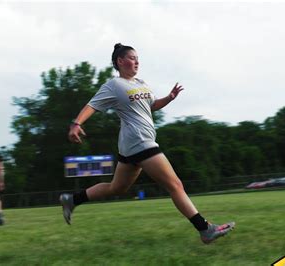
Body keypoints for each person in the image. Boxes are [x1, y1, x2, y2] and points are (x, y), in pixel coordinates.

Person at [60, 43, 235, 244]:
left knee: (116, 188)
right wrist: (76, 123)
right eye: (132, 58)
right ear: (120, 61)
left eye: (137, 58)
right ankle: (205, 229)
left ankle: (72, 200)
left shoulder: (140, 83)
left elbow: (152, 106)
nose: (137, 62)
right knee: (175, 184)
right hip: (139, 141)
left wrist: (169, 98)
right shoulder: (114, 86)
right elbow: (92, 105)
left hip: (132, 144)